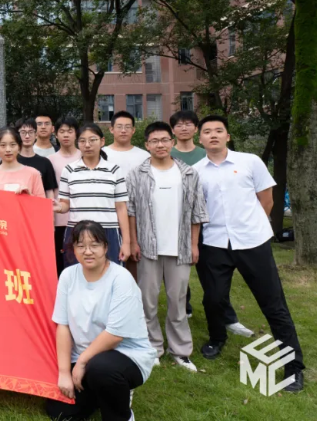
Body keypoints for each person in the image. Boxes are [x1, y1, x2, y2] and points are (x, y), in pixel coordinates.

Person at [194, 115, 304, 391]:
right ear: (200, 139)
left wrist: (252, 226)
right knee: (213, 298)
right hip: (215, 243)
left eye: (219, 130)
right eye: (207, 131)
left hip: (252, 242)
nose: (213, 135)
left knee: (273, 305)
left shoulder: (250, 162)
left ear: (227, 136)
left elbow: (266, 200)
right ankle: (217, 338)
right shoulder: (195, 171)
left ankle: (293, 367)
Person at [44, 221, 157, 422]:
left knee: (101, 370)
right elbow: (63, 325)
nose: (87, 251)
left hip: (126, 354)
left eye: (94, 245)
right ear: (73, 249)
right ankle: (100, 394)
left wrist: (82, 362)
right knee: (59, 411)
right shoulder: (68, 276)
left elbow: (115, 335)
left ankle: (122, 415)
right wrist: (64, 373)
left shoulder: (121, 278)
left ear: (105, 247)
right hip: (84, 357)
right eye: (81, 245)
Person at [126, 122, 208, 372]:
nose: (160, 145)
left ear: (172, 142)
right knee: (147, 301)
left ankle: (181, 350)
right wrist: (134, 241)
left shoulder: (188, 173)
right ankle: (152, 348)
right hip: (148, 247)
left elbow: (197, 212)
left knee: (178, 300)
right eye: (154, 141)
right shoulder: (136, 174)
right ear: (147, 145)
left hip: (179, 247)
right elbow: (130, 211)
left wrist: (194, 244)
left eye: (164, 140)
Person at [170, 109, 247, 330]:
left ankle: (227, 316)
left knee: (212, 275)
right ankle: (184, 307)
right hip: (176, 222)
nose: (184, 128)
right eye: (179, 125)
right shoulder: (167, 153)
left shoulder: (207, 154)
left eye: (188, 124)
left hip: (210, 224)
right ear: (173, 130)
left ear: (196, 129)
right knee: (178, 272)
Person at [55, 123, 132, 267]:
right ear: (77, 143)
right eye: (82, 141)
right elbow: (65, 204)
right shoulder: (69, 170)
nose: (87, 145)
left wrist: (126, 242)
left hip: (108, 231)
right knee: (76, 274)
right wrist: (58, 207)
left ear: (102, 141)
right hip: (77, 232)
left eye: (92, 140)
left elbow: (121, 208)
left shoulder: (114, 170)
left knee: (110, 275)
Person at [104, 111, 148, 281]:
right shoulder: (102, 154)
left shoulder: (144, 155)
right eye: (119, 127)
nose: (123, 130)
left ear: (133, 130)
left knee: (135, 261)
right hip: (109, 214)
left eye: (127, 127)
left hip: (138, 215)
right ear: (111, 129)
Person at [49, 118, 82, 277]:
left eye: (70, 131)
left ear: (76, 134)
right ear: (56, 134)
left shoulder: (85, 156)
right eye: (62, 132)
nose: (66, 135)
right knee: (62, 263)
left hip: (83, 217)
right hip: (60, 219)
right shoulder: (50, 160)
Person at [0, 128, 44, 197]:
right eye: (3, 145)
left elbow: (42, 203)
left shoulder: (33, 174)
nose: (8, 149)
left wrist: (29, 197)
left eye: (12, 145)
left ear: (19, 147)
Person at [15, 118, 58, 199]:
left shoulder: (45, 162)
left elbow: (49, 192)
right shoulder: (10, 161)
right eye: (23, 132)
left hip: (38, 204)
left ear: (36, 135)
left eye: (31, 132)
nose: (27, 136)